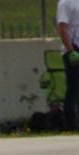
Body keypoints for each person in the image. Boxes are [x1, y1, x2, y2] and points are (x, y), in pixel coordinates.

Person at [58, 0, 79, 131]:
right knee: (74, 87)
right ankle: (71, 124)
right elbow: (62, 27)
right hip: (73, 49)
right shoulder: (65, 3)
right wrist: (71, 51)